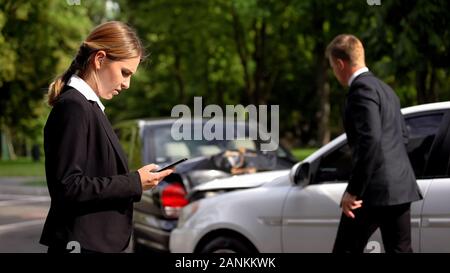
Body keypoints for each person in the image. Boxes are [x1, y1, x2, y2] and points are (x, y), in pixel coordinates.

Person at [40, 21, 173, 253]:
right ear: (99, 59)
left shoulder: (89, 107)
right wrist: (134, 182)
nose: (127, 84)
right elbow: (68, 187)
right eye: (125, 73)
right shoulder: (74, 107)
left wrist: (137, 180)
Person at [326, 34, 422, 253]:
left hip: (373, 191)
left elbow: (370, 140)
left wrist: (353, 190)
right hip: (401, 188)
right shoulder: (387, 90)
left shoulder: (360, 90)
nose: (334, 71)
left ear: (340, 64)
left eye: (332, 66)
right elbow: (402, 137)